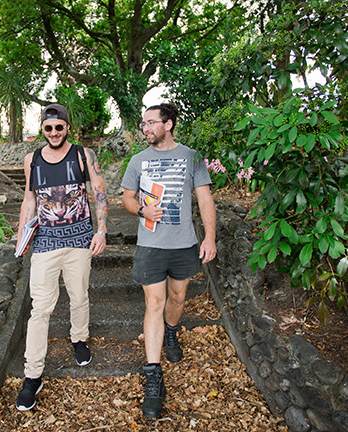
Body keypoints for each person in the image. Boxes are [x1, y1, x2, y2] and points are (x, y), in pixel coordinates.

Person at [121, 102, 217, 418]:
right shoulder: (138, 161)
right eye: (143, 124)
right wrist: (141, 210)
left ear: (169, 124)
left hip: (184, 244)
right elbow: (127, 198)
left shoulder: (191, 157)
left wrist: (210, 237)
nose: (146, 128)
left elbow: (204, 198)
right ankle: (153, 377)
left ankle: (172, 331)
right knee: (154, 304)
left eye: (151, 122)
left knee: (177, 297)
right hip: (150, 245)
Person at [15, 103, 109, 411]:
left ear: (67, 127)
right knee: (40, 308)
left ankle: (79, 338)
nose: (53, 132)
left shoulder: (84, 155)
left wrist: (102, 230)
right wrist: (22, 237)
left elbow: (98, 190)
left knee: (79, 296)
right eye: (48, 128)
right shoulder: (32, 160)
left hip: (80, 239)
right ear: (42, 129)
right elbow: (29, 199)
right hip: (44, 243)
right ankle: (32, 376)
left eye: (59, 127)